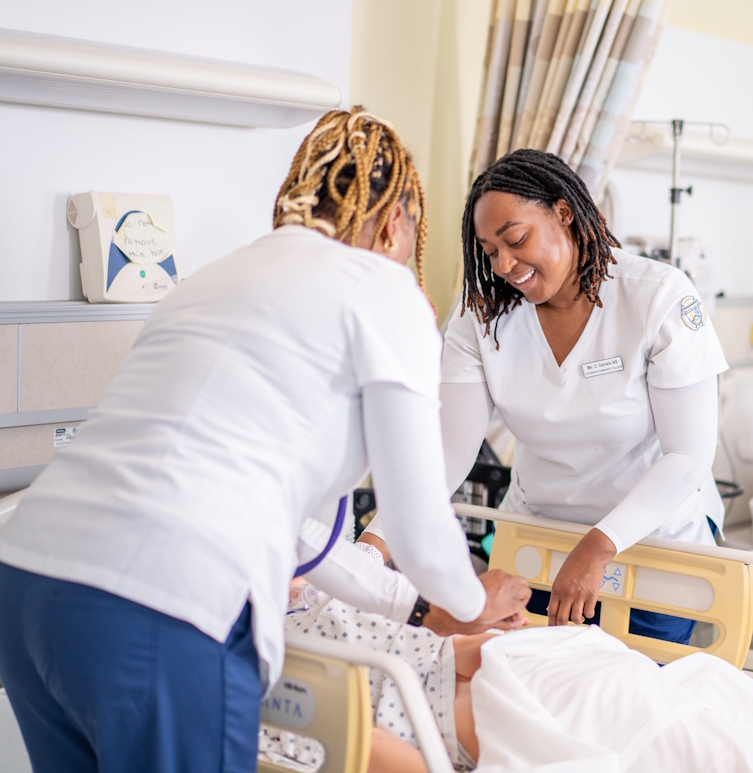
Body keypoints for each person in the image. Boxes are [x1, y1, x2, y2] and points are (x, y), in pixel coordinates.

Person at [0, 108, 529, 773]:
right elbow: (419, 527)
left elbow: (297, 529)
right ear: (397, 222)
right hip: (158, 603)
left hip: (27, 581)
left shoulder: (211, 280)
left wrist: (419, 608)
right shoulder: (382, 290)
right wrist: (473, 606)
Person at [363, 149, 728, 644]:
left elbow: (687, 456)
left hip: (648, 545)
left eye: (516, 239)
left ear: (564, 213)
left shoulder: (656, 296)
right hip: (536, 542)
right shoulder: (482, 317)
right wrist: (373, 545)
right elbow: (448, 453)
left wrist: (598, 546)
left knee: (633, 702)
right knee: (527, 697)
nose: (505, 265)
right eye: (490, 252)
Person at [263, 552, 753, 773]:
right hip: (484, 715)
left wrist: (488, 627)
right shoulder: (257, 678)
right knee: (698, 744)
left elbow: (447, 649)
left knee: (731, 715)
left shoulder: (326, 599)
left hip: (538, 662)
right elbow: (368, 750)